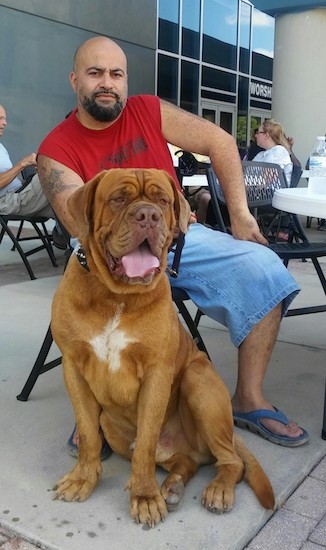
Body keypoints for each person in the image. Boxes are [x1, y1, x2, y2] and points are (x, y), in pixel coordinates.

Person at [37, 36, 308, 456]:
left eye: (116, 74)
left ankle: (248, 398)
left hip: (180, 238)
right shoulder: (55, 148)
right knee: (89, 297)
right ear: (76, 81)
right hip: (103, 253)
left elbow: (219, 141)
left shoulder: (148, 109)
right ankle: (98, 410)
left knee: (266, 267)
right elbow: (78, 221)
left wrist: (239, 212)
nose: (106, 82)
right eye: (95, 73)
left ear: (126, 80)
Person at [0, 104, 53, 219]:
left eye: (5, 119)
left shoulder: (1, 147)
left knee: (66, 203)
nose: (5, 123)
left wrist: (27, 182)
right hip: (7, 201)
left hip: (20, 194)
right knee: (55, 170)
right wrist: (22, 164)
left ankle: (66, 236)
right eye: (0, 118)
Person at [253, 119, 293, 185]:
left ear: (266, 135)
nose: (256, 135)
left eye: (258, 132)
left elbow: (266, 180)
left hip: (271, 194)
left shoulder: (279, 152)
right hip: (257, 193)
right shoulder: (261, 154)